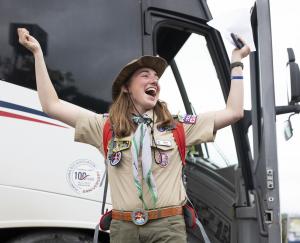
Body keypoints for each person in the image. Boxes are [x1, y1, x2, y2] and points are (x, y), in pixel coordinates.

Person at [17, 27, 250, 243]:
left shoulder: (178, 126)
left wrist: (236, 63)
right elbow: (52, 105)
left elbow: (233, 112)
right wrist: (37, 53)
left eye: (157, 77)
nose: (154, 80)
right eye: (145, 75)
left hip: (167, 227)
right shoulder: (105, 127)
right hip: (124, 228)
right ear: (127, 87)